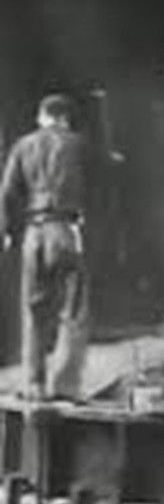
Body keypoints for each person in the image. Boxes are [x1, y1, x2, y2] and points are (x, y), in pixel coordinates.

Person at [0, 94, 89, 401]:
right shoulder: (78, 145)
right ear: (65, 118)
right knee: (73, 308)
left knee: (33, 310)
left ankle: (33, 384)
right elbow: (100, 188)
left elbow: (7, 193)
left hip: (33, 233)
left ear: (42, 116)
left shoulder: (23, 146)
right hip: (66, 228)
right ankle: (64, 384)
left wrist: (6, 231)